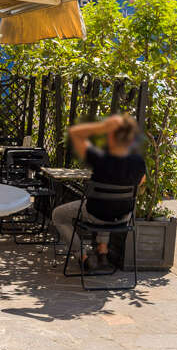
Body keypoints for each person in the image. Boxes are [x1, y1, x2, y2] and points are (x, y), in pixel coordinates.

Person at [52, 114, 146, 269]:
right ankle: (103, 252)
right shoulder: (139, 162)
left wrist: (102, 127)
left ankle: (82, 255)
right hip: (122, 216)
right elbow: (141, 182)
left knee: (58, 215)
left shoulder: (100, 159)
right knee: (110, 205)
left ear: (111, 136)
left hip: (96, 214)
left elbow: (75, 133)